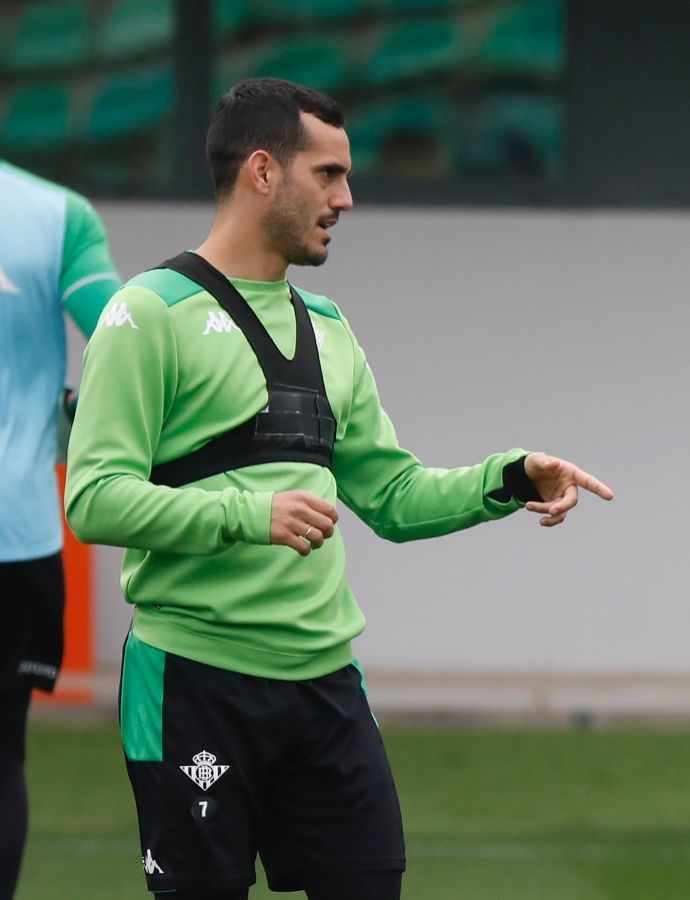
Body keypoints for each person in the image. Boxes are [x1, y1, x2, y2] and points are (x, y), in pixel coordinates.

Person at [65, 78, 613, 900]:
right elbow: (95, 498)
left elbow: (391, 496)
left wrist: (508, 477)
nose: (346, 198)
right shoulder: (147, 314)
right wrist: (248, 515)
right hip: (194, 686)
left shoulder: (328, 327)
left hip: (326, 690)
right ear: (261, 172)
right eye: (326, 174)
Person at [0, 160, 121, 899]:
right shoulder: (56, 214)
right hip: (15, 537)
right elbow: (123, 342)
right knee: (1, 758)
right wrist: (78, 419)